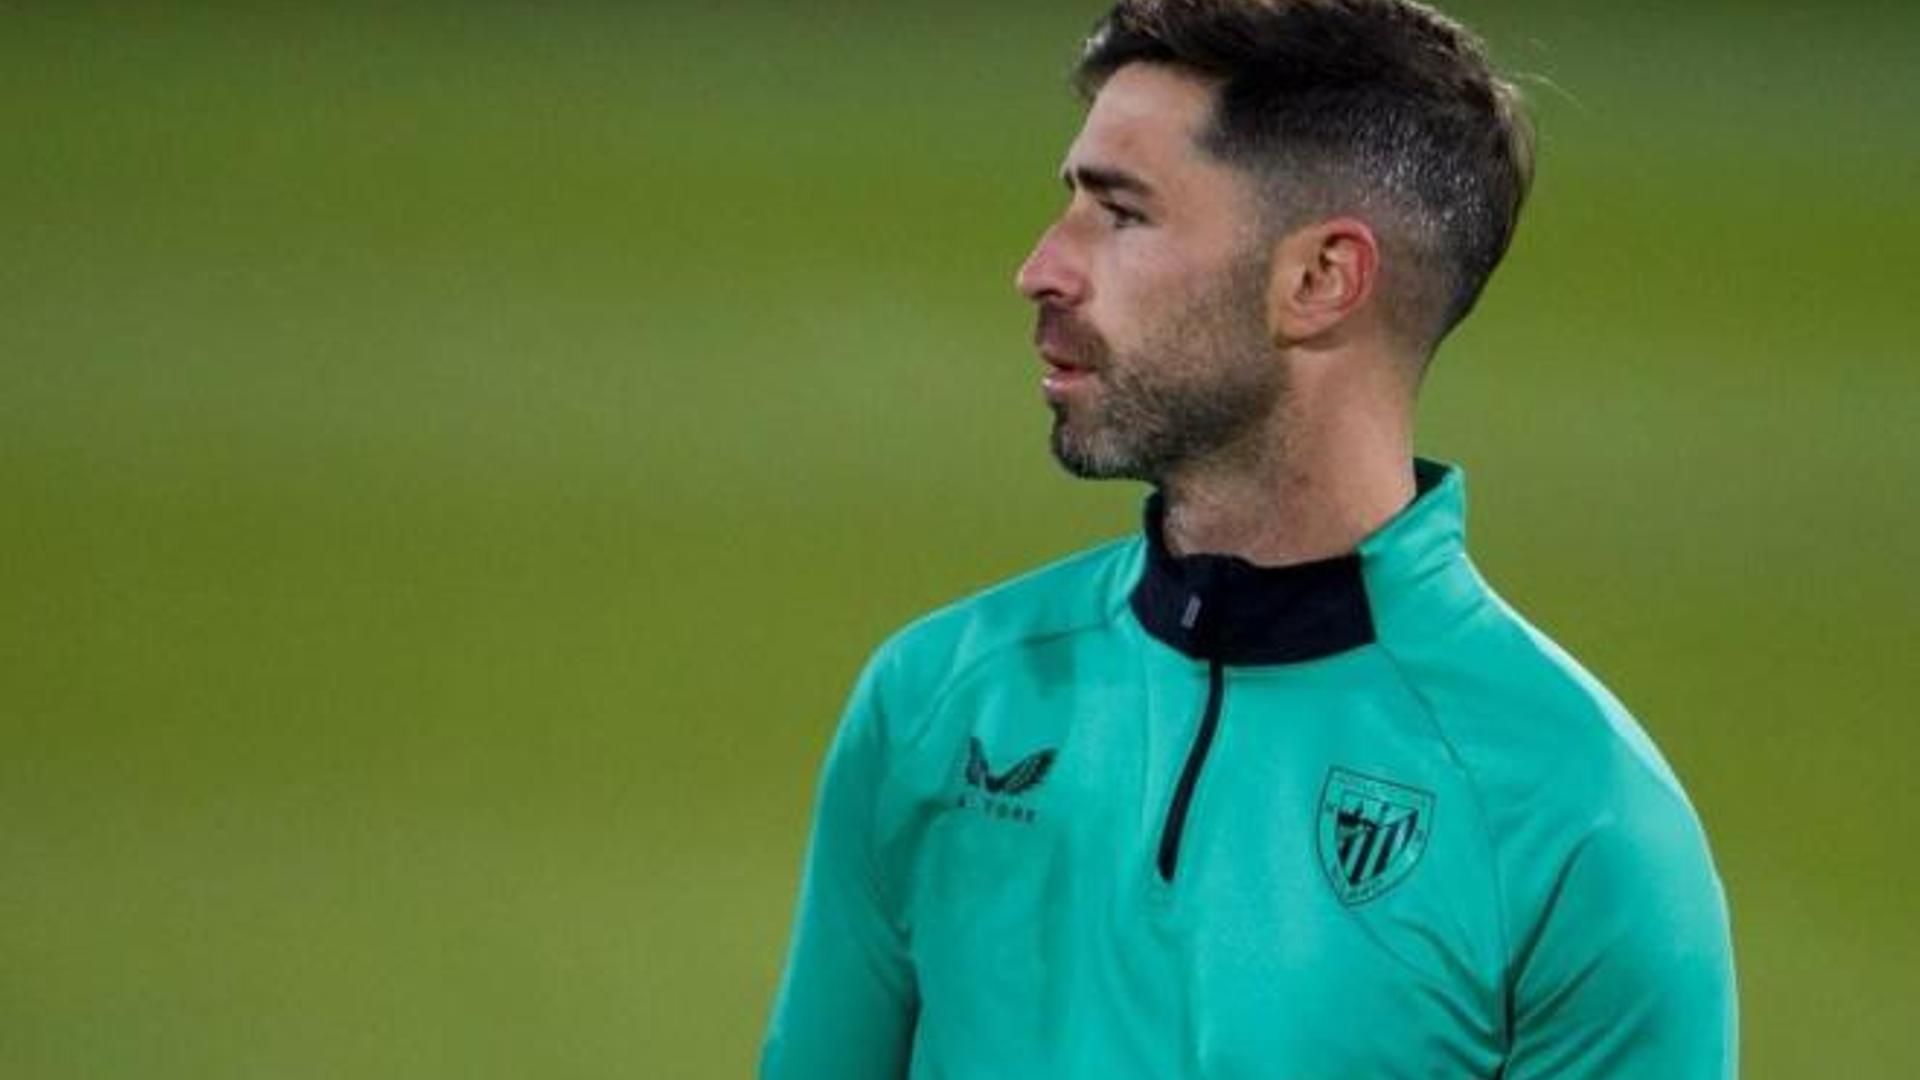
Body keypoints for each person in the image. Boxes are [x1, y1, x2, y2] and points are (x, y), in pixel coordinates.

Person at [761, 1, 1737, 1076]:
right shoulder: (939, 701)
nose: (1043, 267)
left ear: (1320, 280)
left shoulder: (1580, 821)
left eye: (1121, 214)